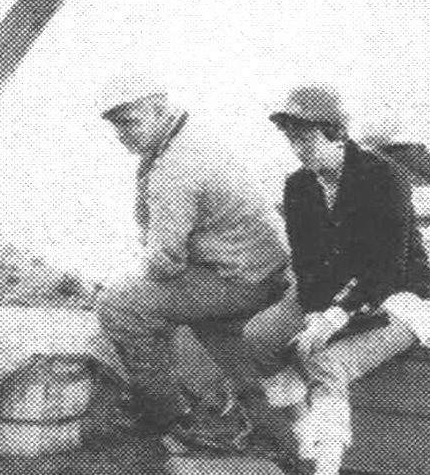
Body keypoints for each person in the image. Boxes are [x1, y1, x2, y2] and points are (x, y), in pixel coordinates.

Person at [243, 85, 430, 475]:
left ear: (336, 133)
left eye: (306, 138)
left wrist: (334, 318)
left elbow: (385, 267)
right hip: (330, 292)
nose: (299, 149)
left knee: (326, 360)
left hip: (399, 295)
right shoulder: (299, 186)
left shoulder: (383, 177)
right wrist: (315, 311)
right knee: (258, 338)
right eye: (292, 140)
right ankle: (307, 443)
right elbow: (308, 263)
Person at [95, 77, 289, 449]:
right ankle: (209, 396)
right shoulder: (191, 135)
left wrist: (134, 277)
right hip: (261, 264)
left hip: (242, 279)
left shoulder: (174, 171)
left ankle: (171, 417)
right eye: (115, 125)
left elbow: (165, 262)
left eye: (130, 121)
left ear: (159, 110)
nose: (122, 134)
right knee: (148, 297)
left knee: (118, 306)